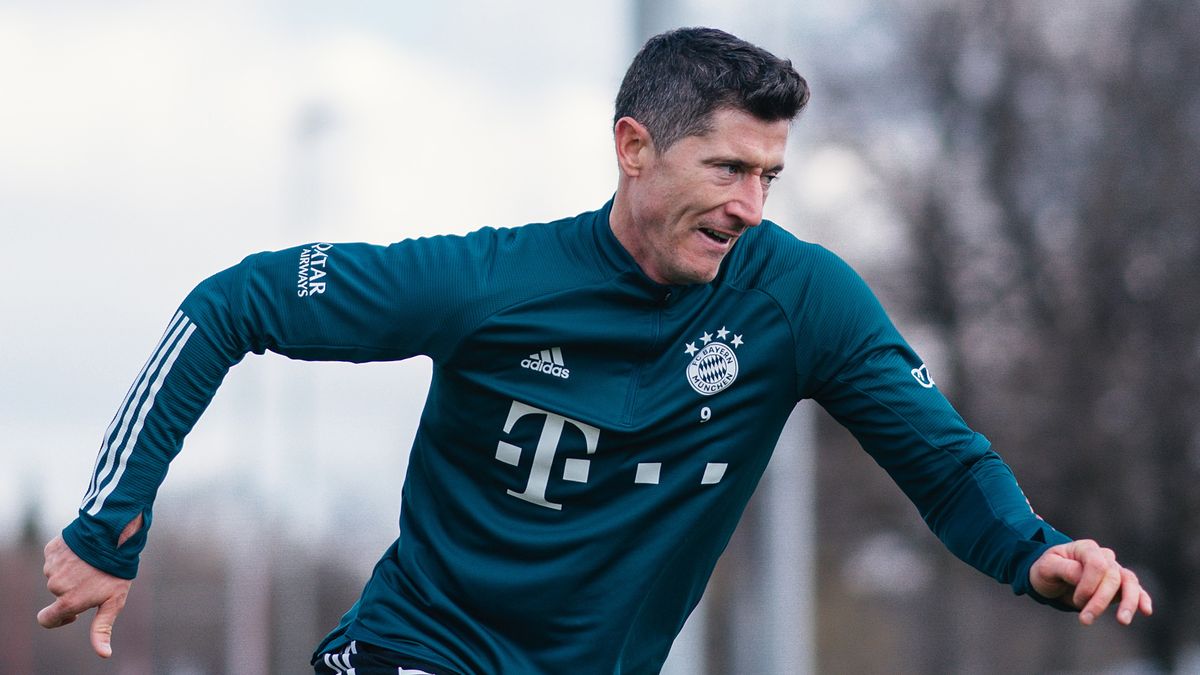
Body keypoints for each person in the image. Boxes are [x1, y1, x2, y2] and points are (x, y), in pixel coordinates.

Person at [39, 27, 1151, 675]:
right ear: (633, 148)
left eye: (770, 176)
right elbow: (233, 302)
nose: (751, 205)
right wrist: (109, 522)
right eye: (726, 168)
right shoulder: (492, 283)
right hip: (418, 650)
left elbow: (944, 464)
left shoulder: (800, 298)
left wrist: (1033, 551)